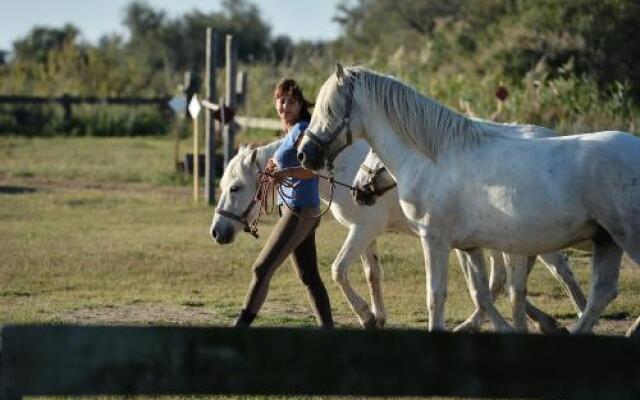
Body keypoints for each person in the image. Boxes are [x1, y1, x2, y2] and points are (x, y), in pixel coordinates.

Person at [233, 78, 334, 328]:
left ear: (300, 105)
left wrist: (285, 173)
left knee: (261, 269)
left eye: (292, 101)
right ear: (275, 103)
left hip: (300, 210)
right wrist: (273, 169)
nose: (285, 105)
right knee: (309, 276)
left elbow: (314, 169)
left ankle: (239, 329)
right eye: (282, 100)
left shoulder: (302, 130)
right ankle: (330, 334)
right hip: (295, 209)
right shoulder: (290, 132)